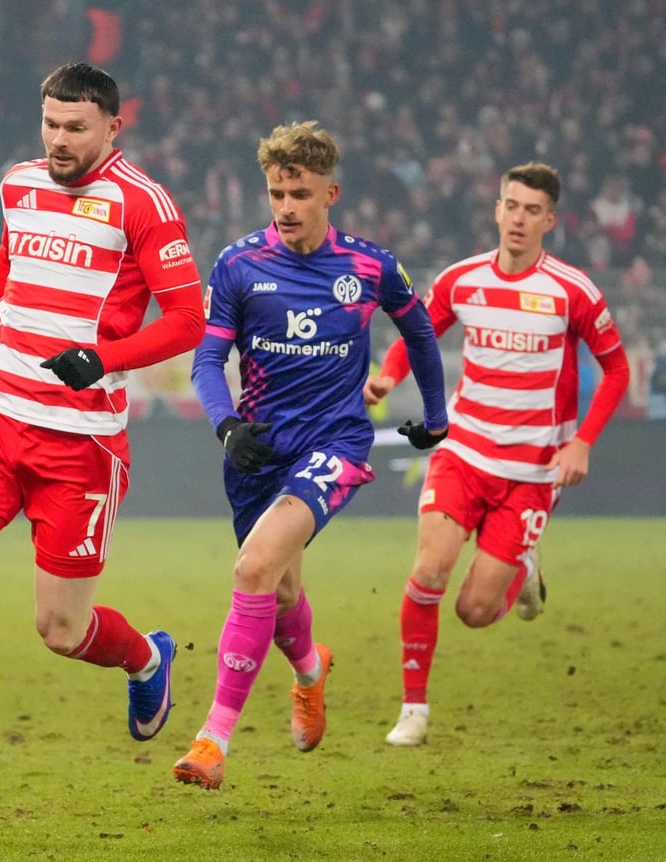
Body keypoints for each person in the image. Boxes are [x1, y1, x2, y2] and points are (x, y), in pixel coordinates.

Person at [0, 62, 205, 819]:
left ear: (111, 127)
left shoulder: (145, 205)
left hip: (79, 446)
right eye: (50, 125)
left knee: (61, 630)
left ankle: (145, 656)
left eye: (75, 128)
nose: (59, 141)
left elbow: (188, 320)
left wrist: (104, 358)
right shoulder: (20, 183)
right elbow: (8, 262)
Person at [173, 121, 449, 790]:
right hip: (256, 450)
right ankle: (310, 671)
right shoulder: (239, 264)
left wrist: (436, 415)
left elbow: (419, 327)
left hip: (334, 443)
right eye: (276, 193)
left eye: (299, 192)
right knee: (281, 587)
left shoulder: (370, 266)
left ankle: (213, 742)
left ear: (331, 192)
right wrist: (226, 425)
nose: (286, 206)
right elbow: (209, 358)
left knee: (254, 566)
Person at [364, 161, 631, 747]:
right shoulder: (463, 279)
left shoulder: (572, 291)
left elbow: (617, 369)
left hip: (533, 472)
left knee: (475, 611)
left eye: (532, 210)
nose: (518, 218)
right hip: (462, 451)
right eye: (511, 205)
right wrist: (387, 376)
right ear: (497, 209)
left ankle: (524, 569)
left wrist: (583, 441)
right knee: (428, 571)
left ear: (549, 221)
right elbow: (420, 333)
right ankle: (414, 709)